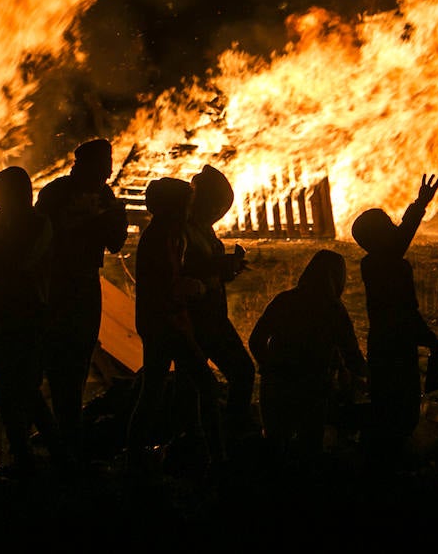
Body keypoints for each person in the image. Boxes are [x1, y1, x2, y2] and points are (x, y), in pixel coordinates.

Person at [34, 137, 128, 470]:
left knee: (82, 350)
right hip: (58, 285)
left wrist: (116, 219)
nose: (109, 170)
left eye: (109, 163)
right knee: (60, 359)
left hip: (88, 282)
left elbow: (114, 244)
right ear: (84, 164)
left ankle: (68, 433)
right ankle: (61, 434)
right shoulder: (56, 193)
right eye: (104, 163)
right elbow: (41, 237)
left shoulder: (105, 195)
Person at [124, 177, 225, 478]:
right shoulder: (160, 239)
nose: (189, 211)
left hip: (163, 322)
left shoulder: (167, 235)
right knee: (204, 384)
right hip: (166, 324)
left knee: (154, 390)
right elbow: (166, 286)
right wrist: (197, 288)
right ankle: (215, 455)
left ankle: (138, 453)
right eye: (185, 205)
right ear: (172, 207)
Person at [354, 173, 438, 473]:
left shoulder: (381, 260)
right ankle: (389, 467)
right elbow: (402, 311)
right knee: (396, 407)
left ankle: (388, 461)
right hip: (392, 342)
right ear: (377, 238)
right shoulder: (380, 262)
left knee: (398, 404)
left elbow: (400, 238)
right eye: (387, 225)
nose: (395, 227)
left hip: (392, 341)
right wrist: (418, 205)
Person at [248, 248, 367, 473]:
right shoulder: (334, 310)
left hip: (275, 386)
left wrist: (269, 366)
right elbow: (352, 354)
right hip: (312, 389)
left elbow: (256, 340)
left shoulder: (284, 300)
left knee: (275, 446)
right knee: (309, 448)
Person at [0, 165, 57, 476]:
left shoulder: (39, 225)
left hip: (27, 313)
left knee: (25, 387)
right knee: (6, 386)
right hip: (0, 311)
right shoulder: (2, 226)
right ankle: (25, 454)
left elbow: (17, 264)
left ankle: (47, 454)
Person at [182, 164, 256, 440]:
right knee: (209, 380)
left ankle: (218, 433)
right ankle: (210, 437)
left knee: (231, 374)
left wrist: (227, 267)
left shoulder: (202, 229)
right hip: (197, 319)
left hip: (213, 315)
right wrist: (218, 266)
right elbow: (183, 271)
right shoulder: (184, 230)